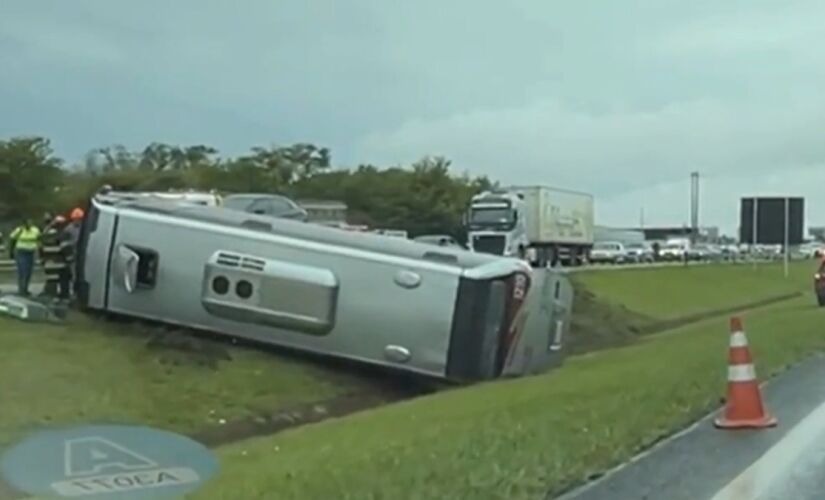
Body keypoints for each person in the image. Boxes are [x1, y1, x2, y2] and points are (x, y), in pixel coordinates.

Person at [8, 218, 41, 296]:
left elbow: (39, 240)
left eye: (30, 222)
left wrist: (40, 251)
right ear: (24, 223)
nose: (29, 224)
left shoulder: (35, 230)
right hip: (21, 253)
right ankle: (21, 289)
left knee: (29, 271)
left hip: (31, 253)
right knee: (23, 271)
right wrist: (11, 252)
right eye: (28, 223)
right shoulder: (19, 230)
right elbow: (12, 240)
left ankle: (25, 288)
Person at [39, 215, 70, 299]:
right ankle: (62, 297)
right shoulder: (61, 234)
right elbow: (65, 248)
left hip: (48, 261)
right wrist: (69, 259)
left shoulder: (45, 233)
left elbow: (40, 247)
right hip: (59, 261)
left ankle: (50, 296)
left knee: (51, 280)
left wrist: (42, 259)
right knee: (63, 279)